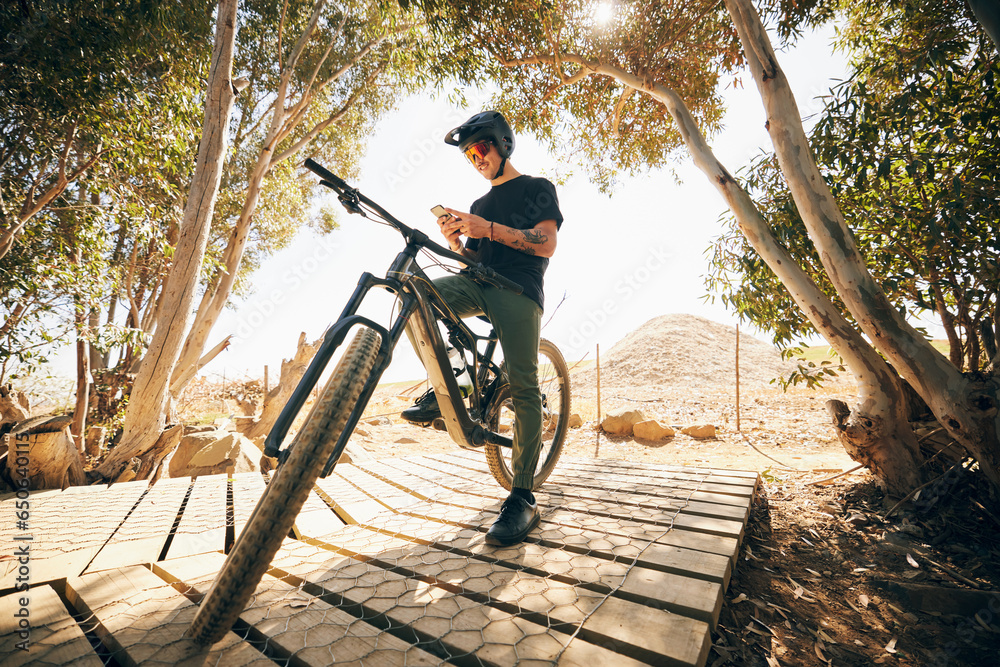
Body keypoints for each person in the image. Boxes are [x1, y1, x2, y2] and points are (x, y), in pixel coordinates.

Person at [401, 110, 563, 546]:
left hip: (518, 290)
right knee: (414, 294)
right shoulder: (477, 205)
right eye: (469, 154)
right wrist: (457, 240)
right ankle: (451, 386)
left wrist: (488, 228)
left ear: (503, 143)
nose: (476, 157)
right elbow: (473, 262)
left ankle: (524, 495)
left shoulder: (536, 188)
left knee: (524, 386)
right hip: (479, 283)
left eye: (482, 147)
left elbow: (545, 242)